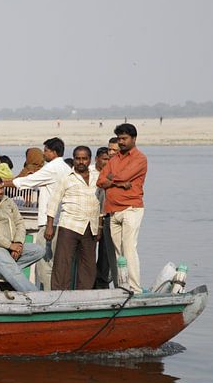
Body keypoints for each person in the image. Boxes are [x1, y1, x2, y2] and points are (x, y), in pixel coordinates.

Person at [4, 137, 70, 290]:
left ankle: (47, 295)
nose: (43, 154)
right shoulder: (66, 168)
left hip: (49, 223)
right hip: (63, 221)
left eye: (46, 151)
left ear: (54, 152)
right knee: (57, 263)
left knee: (44, 263)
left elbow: (26, 182)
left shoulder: (52, 168)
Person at [97, 123, 147, 293]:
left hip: (131, 208)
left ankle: (135, 288)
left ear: (134, 139)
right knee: (118, 252)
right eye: (119, 139)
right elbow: (100, 181)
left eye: (124, 138)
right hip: (113, 210)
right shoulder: (115, 159)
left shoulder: (140, 158)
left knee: (129, 249)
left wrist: (111, 180)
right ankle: (122, 287)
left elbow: (123, 176)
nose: (121, 142)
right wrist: (119, 183)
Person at [0, 175, 44, 292]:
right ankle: (35, 296)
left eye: (2, 188)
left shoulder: (8, 201)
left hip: (12, 244)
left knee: (38, 250)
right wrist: (10, 246)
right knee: (13, 270)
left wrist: (18, 243)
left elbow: (19, 222)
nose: (0, 191)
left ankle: (3, 271)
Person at [44, 146, 101, 290]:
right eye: (78, 158)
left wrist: (99, 227)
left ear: (90, 160)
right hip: (69, 225)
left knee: (88, 265)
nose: (81, 162)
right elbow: (53, 202)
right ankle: (59, 294)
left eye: (84, 159)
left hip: (91, 226)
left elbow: (101, 203)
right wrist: (49, 226)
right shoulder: (66, 178)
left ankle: (84, 295)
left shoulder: (97, 177)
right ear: (74, 159)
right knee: (63, 262)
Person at [93, 146, 116, 289]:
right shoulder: (90, 173)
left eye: (109, 159)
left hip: (106, 218)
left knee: (105, 255)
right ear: (97, 159)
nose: (107, 162)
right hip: (91, 219)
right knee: (88, 255)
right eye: (104, 159)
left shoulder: (110, 174)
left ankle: (102, 284)